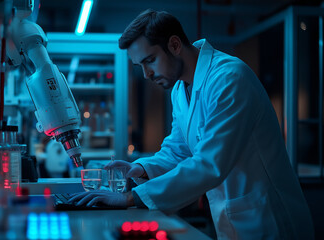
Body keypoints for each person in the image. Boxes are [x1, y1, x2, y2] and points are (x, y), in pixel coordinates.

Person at [69, 9, 314, 239]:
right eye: (140, 66)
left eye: (150, 60)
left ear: (174, 45)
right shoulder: (179, 90)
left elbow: (210, 164)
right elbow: (178, 150)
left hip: (271, 219)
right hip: (234, 219)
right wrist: (141, 169)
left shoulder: (229, 79)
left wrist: (131, 198)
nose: (146, 74)